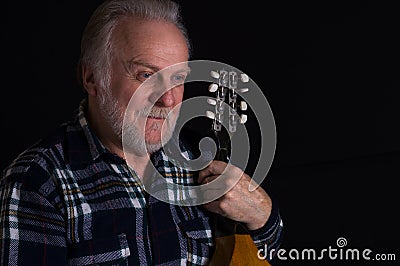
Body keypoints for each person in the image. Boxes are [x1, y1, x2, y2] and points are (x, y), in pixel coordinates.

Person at [0, 0, 283, 265]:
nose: (168, 100)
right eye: (146, 75)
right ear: (92, 78)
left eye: (178, 78)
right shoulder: (38, 180)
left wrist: (263, 218)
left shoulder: (202, 158)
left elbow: (257, 257)